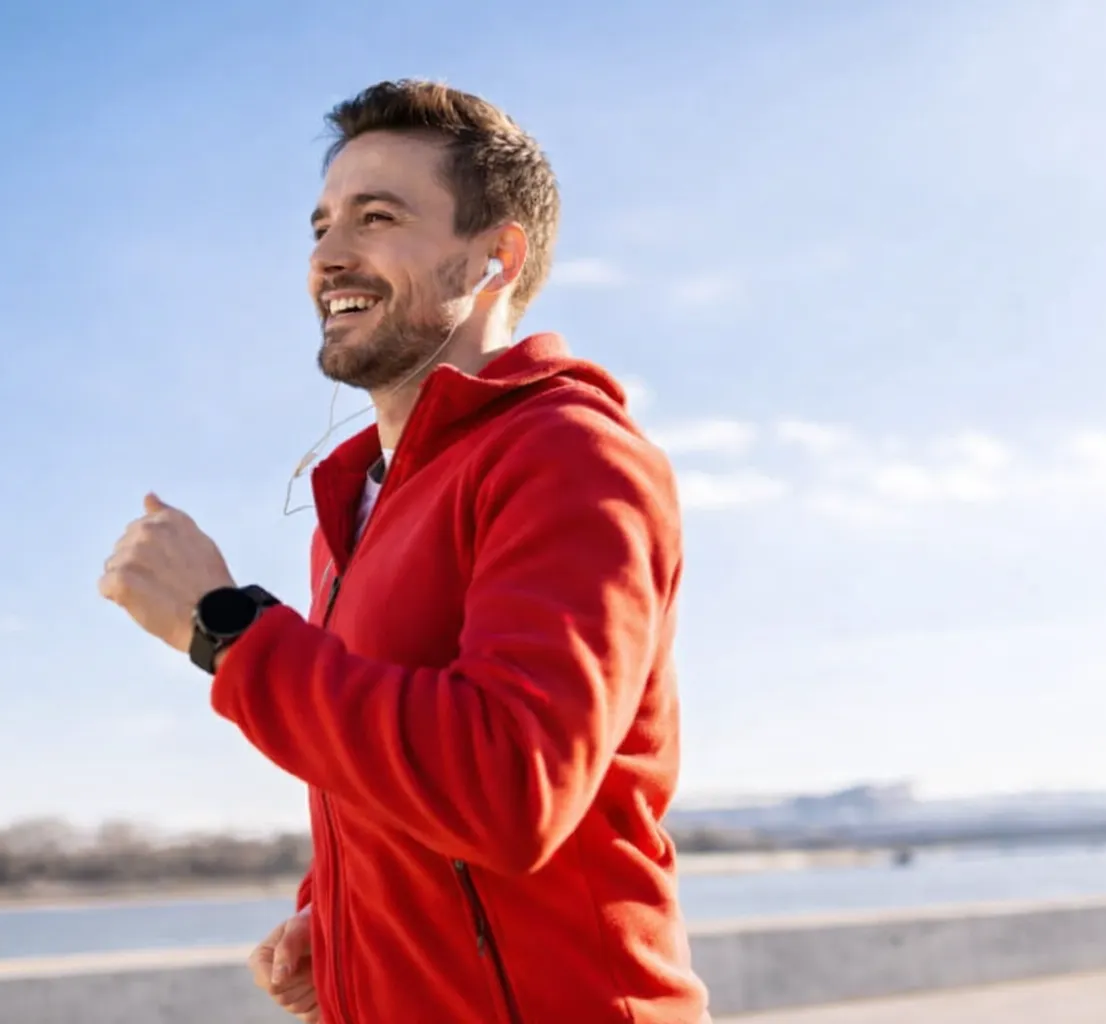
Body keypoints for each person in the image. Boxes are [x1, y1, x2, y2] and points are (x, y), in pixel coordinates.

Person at [98, 79, 711, 1024]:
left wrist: (226, 627)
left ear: (494, 257)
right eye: (320, 226)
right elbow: (391, 763)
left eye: (376, 218)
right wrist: (337, 918)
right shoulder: (358, 500)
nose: (328, 258)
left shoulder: (570, 454)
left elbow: (512, 788)